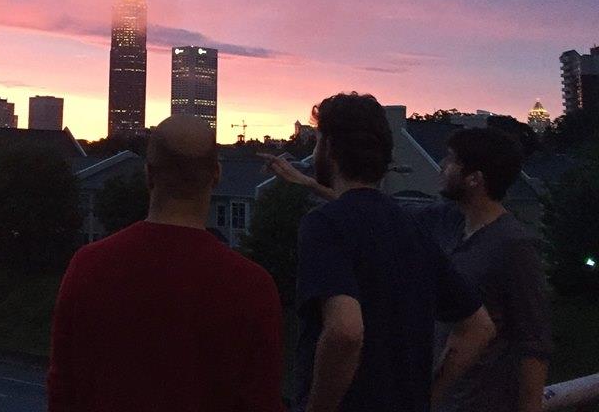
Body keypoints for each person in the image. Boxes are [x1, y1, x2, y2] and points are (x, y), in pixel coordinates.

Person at [260, 93, 494, 412]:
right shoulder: (410, 228)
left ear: (329, 148)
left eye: (317, 142)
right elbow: (478, 327)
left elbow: (345, 330)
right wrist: (428, 398)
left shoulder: (324, 225)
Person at [47, 114, 285, 412]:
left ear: (148, 174)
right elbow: (261, 400)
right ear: (216, 174)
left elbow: (62, 389)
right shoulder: (252, 287)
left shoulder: (89, 266)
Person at [420, 127, 552, 412]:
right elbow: (381, 214)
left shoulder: (513, 245)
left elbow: (533, 343)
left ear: (474, 179)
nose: (443, 166)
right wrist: (311, 183)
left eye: (452, 160)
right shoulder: (449, 222)